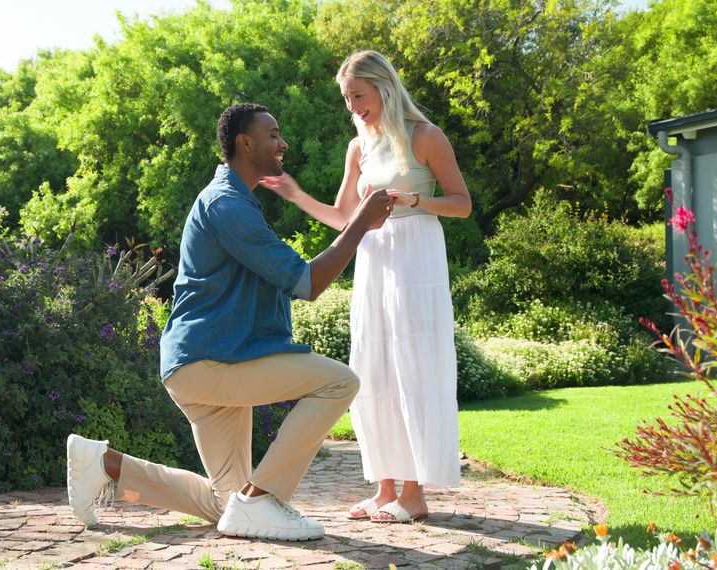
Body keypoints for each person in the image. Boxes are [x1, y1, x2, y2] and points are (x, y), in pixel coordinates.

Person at [65, 102, 395, 541]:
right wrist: (359, 223)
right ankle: (262, 500)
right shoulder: (226, 205)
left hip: (209, 362)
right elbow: (306, 282)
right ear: (245, 142)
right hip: (210, 360)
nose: (283, 143)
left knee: (227, 505)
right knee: (338, 382)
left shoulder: (236, 200)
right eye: (273, 135)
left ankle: (105, 465)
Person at [260, 50, 472, 523]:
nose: (353, 106)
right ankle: (384, 488)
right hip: (374, 260)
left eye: (358, 95)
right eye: (346, 98)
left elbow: (462, 204)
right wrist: (296, 194)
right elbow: (342, 218)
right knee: (373, 368)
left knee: (411, 367)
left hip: (417, 256)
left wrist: (416, 199)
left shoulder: (426, 137)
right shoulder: (358, 148)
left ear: (384, 87)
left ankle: (414, 495)